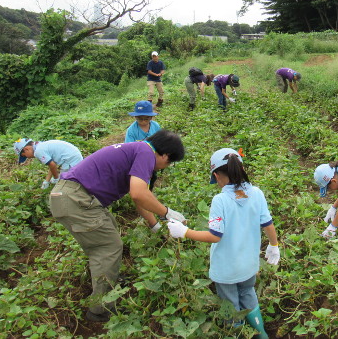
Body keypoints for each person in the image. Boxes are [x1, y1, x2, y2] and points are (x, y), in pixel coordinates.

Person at [49, 129, 186, 322]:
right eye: (169, 163)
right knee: (108, 247)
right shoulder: (146, 152)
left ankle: (108, 279)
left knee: (108, 230)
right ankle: (100, 308)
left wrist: (155, 225)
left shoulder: (138, 149)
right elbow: (138, 194)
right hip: (76, 199)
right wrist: (166, 212)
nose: (165, 167)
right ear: (165, 155)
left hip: (70, 196)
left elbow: (139, 197)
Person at [167, 148, 279, 338]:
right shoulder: (256, 193)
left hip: (227, 269)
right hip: (249, 264)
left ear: (216, 175)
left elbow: (215, 236)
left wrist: (185, 232)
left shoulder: (220, 200)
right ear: (241, 168)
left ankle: (236, 333)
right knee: (248, 292)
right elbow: (267, 223)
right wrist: (274, 245)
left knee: (230, 305)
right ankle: (262, 335)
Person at [13, 138, 83, 189]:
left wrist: (56, 178)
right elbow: (52, 165)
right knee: (69, 180)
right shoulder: (40, 145)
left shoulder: (38, 151)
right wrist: (47, 181)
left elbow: (52, 165)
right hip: (73, 156)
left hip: (70, 159)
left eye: (25, 156)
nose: (27, 158)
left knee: (65, 184)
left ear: (26, 149)